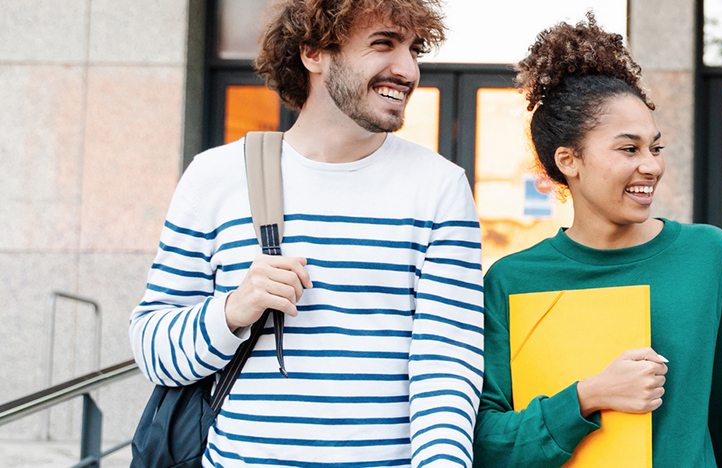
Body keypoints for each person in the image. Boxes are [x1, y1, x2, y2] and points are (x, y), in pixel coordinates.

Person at [129, 0, 483, 466]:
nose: (408, 70)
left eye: (414, 50)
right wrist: (232, 311)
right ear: (313, 53)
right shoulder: (215, 177)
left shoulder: (440, 187)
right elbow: (152, 349)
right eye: (383, 44)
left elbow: (447, 366)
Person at [472, 15, 722, 468]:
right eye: (629, 149)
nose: (651, 166)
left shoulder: (708, 256)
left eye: (655, 147)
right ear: (568, 160)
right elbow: (487, 443)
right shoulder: (511, 281)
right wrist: (586, 397)